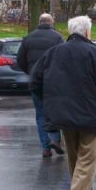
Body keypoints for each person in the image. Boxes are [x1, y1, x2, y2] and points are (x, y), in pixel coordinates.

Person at [30, 15, 96, 190]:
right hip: (91, 116)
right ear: (87, 32)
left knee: (74, 159)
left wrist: (49, 102)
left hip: (63, 116)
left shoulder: (53, 53)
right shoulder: (95, 54)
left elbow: (34, 81)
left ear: (70, 31)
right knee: (87, 159)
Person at [16, 13, 64, 158]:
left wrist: (31, 73)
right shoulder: (57, 38)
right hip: (53, 82)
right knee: (55, 112)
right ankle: (55, 139)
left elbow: (20, 60)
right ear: (51, 22)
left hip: (36, 82)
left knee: (41, 114)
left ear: (39, 22)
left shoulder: (28, 38)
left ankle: (45, 147)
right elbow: (63, 58)